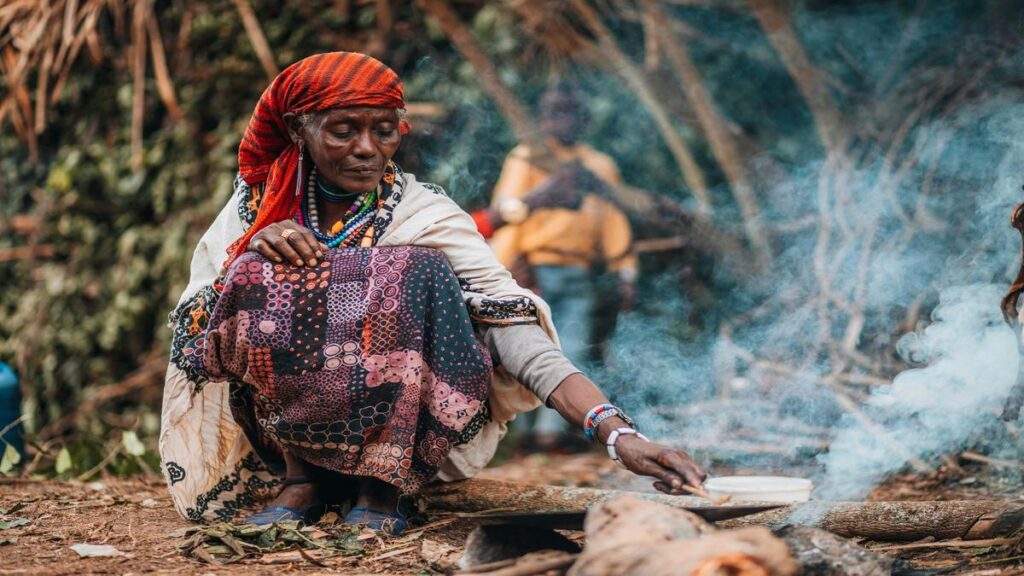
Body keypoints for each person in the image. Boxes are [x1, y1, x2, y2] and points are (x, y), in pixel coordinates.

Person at [159, 52, 703, 535]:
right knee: (251, 271)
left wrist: (618, 435)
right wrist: (255, 248)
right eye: (344, 130)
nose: (367, 149)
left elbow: (513, 327)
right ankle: (303, 479)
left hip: (402, 434)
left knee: (413, 271)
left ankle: (383, 486)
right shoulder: (258, 209)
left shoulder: (425, 215)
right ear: (301, 129)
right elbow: (201, 329)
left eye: (385, 131)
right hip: (288, 430)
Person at [480, 84, 638, 444]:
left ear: (585, 120)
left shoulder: (599, 166)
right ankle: (522, 433)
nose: (562, 121)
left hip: (578, 271)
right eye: (554, 112)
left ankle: (550, 434)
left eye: (570, 113)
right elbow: (509, 212)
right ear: (542, 119)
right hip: (530, 270)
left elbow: (614, 222)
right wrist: (502, 269)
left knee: (572, 348)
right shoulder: (528, 156)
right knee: (525, 350)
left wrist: (625, 270)